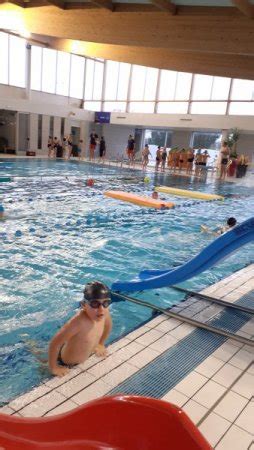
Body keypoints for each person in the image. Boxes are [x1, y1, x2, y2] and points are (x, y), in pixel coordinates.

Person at [48, 281, 112, 377]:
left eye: (105, 303)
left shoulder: (104, 313)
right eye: (95, 304)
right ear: (83, 305)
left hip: (84, 354)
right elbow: (54, 343)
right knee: (40, 362)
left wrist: (100, 344)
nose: (101, 309)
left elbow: (108, 326)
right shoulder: (77, 322)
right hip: (64, 362)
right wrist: (54, 367)